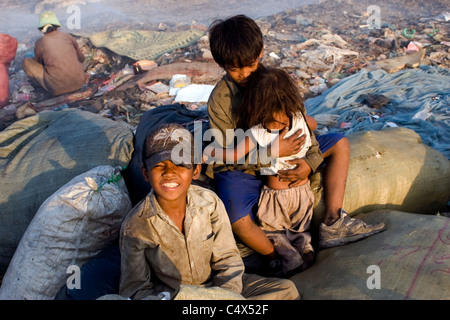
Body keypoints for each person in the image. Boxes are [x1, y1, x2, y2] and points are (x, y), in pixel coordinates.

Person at [206, 14, 385, 275]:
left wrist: (309, 163)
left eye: (250, 65)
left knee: (340, 143)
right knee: (236, 218)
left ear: (261, 53)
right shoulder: (220, 101)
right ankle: (274, 253)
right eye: (235, 69)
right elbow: (225, 156)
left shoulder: (279, 84)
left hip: (289, 152)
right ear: (221, 64)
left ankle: (334, 221)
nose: (244, 73)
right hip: (245, 166)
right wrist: (270, 154)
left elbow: (302, 126)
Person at [119, 123, 300, 300]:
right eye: (159, 166)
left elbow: (228, 260)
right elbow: (134, 289)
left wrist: (224, 296)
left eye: (180, 164)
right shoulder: (135, 226)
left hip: (217, 288)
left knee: (286, 290)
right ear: (145, 173)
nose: (169, 173)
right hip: (174, 296)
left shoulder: (209, 203)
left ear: (196, 169)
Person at [204, 67, 317, 276]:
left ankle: (289, 260)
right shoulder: (299, 119)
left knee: (273, 232)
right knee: (300, 229)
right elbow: (314, 123)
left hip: (276, 197)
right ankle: (306, 249)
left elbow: (233, 155)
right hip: (303, 193)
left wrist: (209, 153)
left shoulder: (259, 130)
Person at [22, 11, 86, 96]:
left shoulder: (41, 42)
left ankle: (40, 87)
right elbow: (82, 59)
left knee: (27, 62)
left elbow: (38, 63)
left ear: (42, 29)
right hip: (80, 83)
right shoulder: (68, 36)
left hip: (58, 88)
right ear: (57, 26)